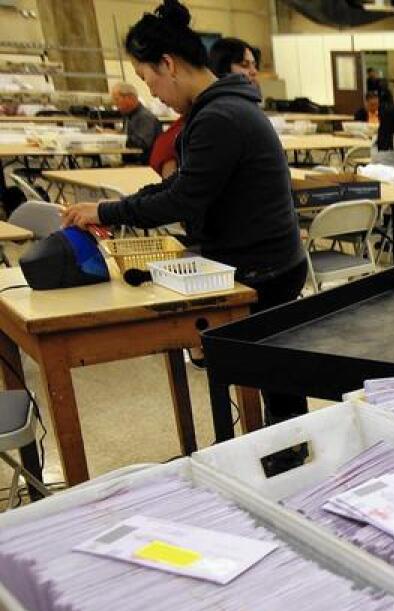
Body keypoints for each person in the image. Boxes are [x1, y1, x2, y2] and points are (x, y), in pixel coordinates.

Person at [63, 0, 308, 423]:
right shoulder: (217, 110)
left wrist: (108, 212)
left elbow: (182, 200)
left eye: (147, 79)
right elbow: (179, 186)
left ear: (168, 64)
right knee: (276, 379)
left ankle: (285, 450)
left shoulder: (220, 117)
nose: (152, 94)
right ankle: (281, 446)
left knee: (277, 382)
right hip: (264, 261)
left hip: (263, 270)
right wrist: (107, 208)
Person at [111, 82, 161, 164]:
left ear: (129, 98)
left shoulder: (144, 117)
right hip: (131, 161)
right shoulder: (128, 114)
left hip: (143, 164)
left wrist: (116, 139)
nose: (115, 103)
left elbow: (142, 143)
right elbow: (129, 135)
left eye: (116, 99)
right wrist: (114, 134)